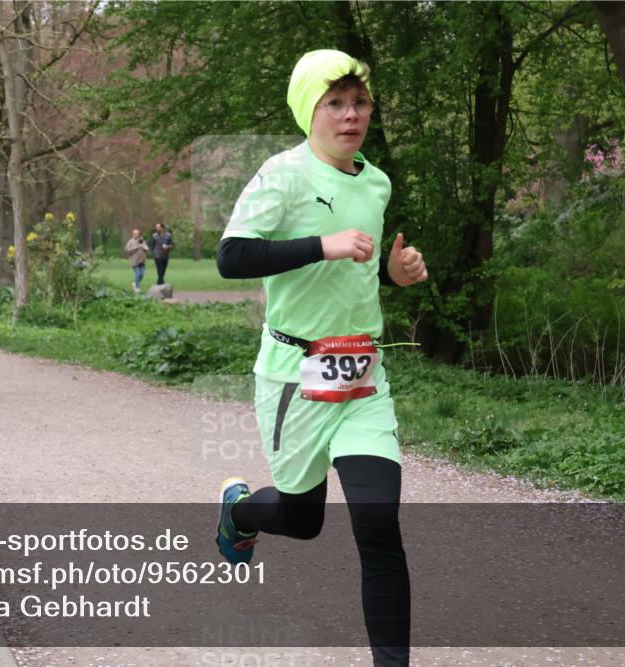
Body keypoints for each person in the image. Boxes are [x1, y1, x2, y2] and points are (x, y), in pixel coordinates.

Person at [214, 50, 428, 667]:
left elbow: (358, 279)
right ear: (310, 109)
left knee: (378, 525)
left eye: (359, 102)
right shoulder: (282, 176)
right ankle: (239, 511)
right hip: (293, 376)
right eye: (334, 103)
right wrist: (321, 245)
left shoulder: (377, 181)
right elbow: (232, 258)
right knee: (303, 519)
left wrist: (391, 272)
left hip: (362, 373)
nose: (350, 114)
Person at [124, 228, 150, 293]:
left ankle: (135, 283)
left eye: (137, 233)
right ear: (133, 234)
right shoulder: (130, 241)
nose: (135, 235)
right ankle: (137, 288)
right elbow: (127, 250)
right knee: (137, 274)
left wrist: (142, 246)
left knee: (142, 274)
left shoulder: (142, 241)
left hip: (142, 261)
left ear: (138, 234)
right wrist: (135, 247)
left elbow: (147, 248)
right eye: (134, 234)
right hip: (134, 261)